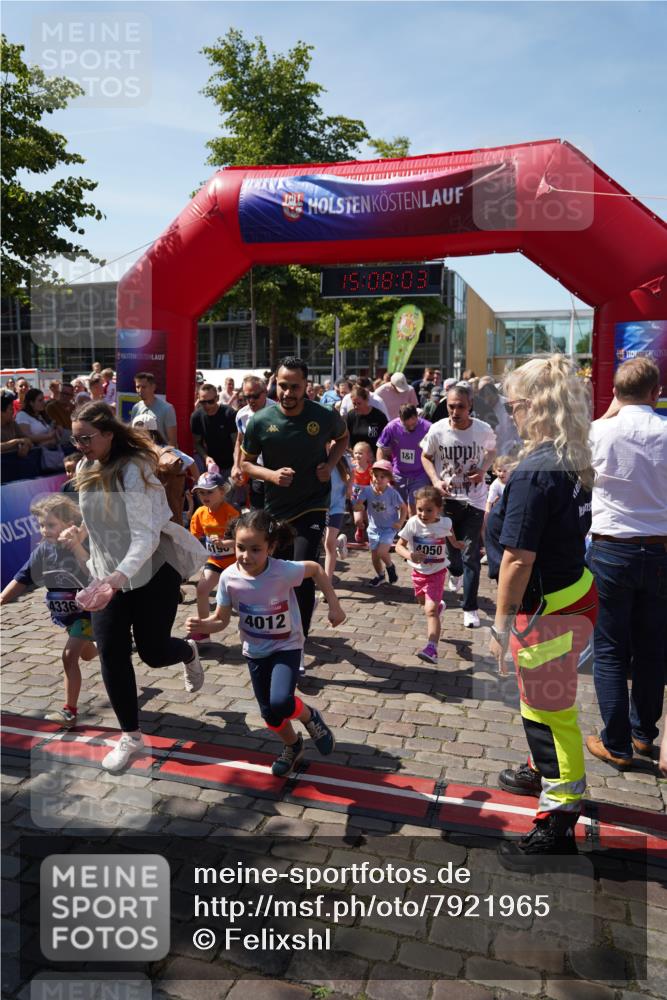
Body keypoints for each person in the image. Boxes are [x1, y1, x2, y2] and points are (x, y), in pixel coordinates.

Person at [488, 355, 597, 866]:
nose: (510, 416)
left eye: (513, 407)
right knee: (550, 706)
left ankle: (558, 817)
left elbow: (517, 559)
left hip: (548, 609)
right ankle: (542, 770)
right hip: (573, 593)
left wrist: (500, 624)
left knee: (548, 715)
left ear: (535, 406)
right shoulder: (566, 454)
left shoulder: (535, 470)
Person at [72, 401, 207, 772]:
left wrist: (117, 579)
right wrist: (80, 536)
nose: (80, 445)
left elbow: (145, 536)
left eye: (86, 438)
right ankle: (130, 735)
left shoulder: (135, 469)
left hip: (152, 573)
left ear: (108, 435)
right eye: (75, 438)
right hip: (108, 578)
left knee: (154, 652)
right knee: (112, 651)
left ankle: (188, 652)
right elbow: (98, 519)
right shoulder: (86, 466)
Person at [186, 510, 345, 775]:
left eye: (255, 549)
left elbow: (316, 569)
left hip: (287, 647)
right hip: (255, 652)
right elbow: (221, 620)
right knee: (270, 714)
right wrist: (206, 625)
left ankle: (310, 717)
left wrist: (334, 605)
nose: (246, 556)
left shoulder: (282, 571)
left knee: (282, 701)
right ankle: (293, 746)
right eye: (240, 548)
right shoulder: (228, 578)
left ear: (271, 547)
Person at [586, 356, 667, 768]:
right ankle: (641, 735)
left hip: (611, 548)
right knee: (653, 649)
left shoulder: (600, 430)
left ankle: (616, 743)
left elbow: (579, 471)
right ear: (657, 393)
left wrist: (608, 412)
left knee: (612, 649)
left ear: (616, 393)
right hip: (659, 550)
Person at [240, 357, 349, 654]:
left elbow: (343, 438)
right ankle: (281, 628)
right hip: (276, 510)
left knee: (300, 574)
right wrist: (271, 475)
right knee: (277, 577)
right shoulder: (261, 421)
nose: (287, 393)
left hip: (313, 504)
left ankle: (297, 643)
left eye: (295, 387)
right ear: (275, 382)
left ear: (306, 387)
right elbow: (245, 466)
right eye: (283, 386)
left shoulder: (324, 415)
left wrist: (330, 464)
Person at [0, 495, 97, 728]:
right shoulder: (43, 550)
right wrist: (2, 598)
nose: (44, 530)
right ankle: (106, 646)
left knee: (69, 657)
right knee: (86, 653)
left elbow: (93, 573)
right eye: (41, 525)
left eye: (51, 525)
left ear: (69, 522)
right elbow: (22, 578)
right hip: (66, 614)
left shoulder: (84, 544)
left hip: (87, 613)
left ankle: (69, 713)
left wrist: (75, 547)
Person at [420, 383, 496, 628]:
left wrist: (483, 469)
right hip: (447, 499)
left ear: (470, 406)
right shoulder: (437, 430)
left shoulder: (483, 430)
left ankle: (470, 607)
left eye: (460, 406)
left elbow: (493, 451)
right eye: (451, 406)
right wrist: (435, 480)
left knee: (470, 553)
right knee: (452, 552)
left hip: (474, 499)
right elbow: (425, 455)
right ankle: (455, 571)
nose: (455, 411)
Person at [395, 486, 464, 663]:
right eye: (419, 509)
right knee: (422, 603)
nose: (423, 514)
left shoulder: (445, 523)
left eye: (428, 510)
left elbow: (450, 533)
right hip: (418, 574)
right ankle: (438, 607)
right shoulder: (412, 523)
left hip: (437, 573)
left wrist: (455, 543)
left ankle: (432, 648)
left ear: (439, 509)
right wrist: (411, 555)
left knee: (430, 611)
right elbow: (398, 546)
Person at [188, 472, 238, 639]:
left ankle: (253, 629)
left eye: (210, 491)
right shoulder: (200, 513)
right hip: (215, 561)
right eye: (201, 492)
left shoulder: (231, 513)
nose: (205, 496)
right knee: (202, 590)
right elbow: (193, 538)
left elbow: (242, 542)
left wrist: (224, 543)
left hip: (235, 564)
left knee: (241, 600)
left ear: (222, 492)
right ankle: (203, 630)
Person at [353, 459, 407, 587]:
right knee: (374, 556)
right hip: (373, 528)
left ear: (389, 479)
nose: (378, 479)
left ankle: (390, 567)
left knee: (382, 552)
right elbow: (359, 504)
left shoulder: (392, 493)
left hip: (389, 527)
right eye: (375, 475)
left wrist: (400, 522)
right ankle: (380, 576)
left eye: (382, 477)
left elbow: (403, 508)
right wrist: (358, 508)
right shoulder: (367, 490)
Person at [231, 376, 277, 509]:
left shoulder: (278, 411)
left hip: (277, 473)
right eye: (247, 397)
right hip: (256, 473)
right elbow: (240, 441)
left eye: (255, 396)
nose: (251, 400)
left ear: (265, 392)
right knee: (257, 518)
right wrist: (236, 466)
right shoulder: (241, 415)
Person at [377, 404, 431, 514]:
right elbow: (381, 449)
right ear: (400, 419)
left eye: (413, 424)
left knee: (415, 507)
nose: (411, 428)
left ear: (417, 416)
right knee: (398, 507)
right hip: (398, 474)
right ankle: (400, 530)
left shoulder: (428, 428)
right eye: (407, 425)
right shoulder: (391, 427)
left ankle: (414, 530)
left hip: (420, 474)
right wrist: (381, 472)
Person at [190, 383, 238, 479]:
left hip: (230, 466)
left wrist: (236, 465)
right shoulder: (196, 417)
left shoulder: (229, 414)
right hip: (209, 467)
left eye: (210, 401)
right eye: (203, 402)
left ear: (217, 398)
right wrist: (206, 457)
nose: (207, 405)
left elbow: (237, 442)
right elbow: (197, 443)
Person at [482, 455, 516, 582]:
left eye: (505, 470)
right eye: (499, 470)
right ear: (495, 471)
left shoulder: (514, 480)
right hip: (501, 515)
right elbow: (489, 502)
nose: (502, 473)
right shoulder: (495, 485)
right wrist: (487, 515)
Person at [16, 387, 64, 472]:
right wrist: (48, 436)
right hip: (35, 462)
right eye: (40, 400)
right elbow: (26, 437)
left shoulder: (42, 415)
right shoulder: (22, 415)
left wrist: (57, 428)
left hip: (50, 455)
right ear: (31, 403)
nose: (43, 402)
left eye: (43, 400)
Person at [323, 447, 352, 582]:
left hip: (337, 507)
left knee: (328, 544)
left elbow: (352, 472)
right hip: (320, 508)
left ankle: (327, 583)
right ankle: (339, 542)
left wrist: (349, 489)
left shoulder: (343, 458)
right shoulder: (315, 457)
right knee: (326, 542)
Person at [130, 372, 178, 446]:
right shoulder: (136, 408)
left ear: (153, 387)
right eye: (137, 387)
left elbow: (172, 441)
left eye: (144, 387)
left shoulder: (167, 409)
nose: (140, 390)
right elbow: (134, 434)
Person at [345, 386, 388, 453]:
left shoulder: (379, 416)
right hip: (355, 457)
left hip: (375, 457)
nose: (356, 406)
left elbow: (386, 438)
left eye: (359, 403)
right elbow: (346, 437)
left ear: (366, 400)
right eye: (354, 403)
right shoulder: (350, 416)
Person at [351, 440, 374, 544]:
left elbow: (374, 482)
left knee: (369, 519)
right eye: (356, 453)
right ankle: (360, 528)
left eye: (360, 453)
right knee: (358, 520)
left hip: (368, 496)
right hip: (357, 497)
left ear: (368, 456)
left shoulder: (371, 469)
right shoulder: (351, 466)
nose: (357, 455)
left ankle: (372, 533)